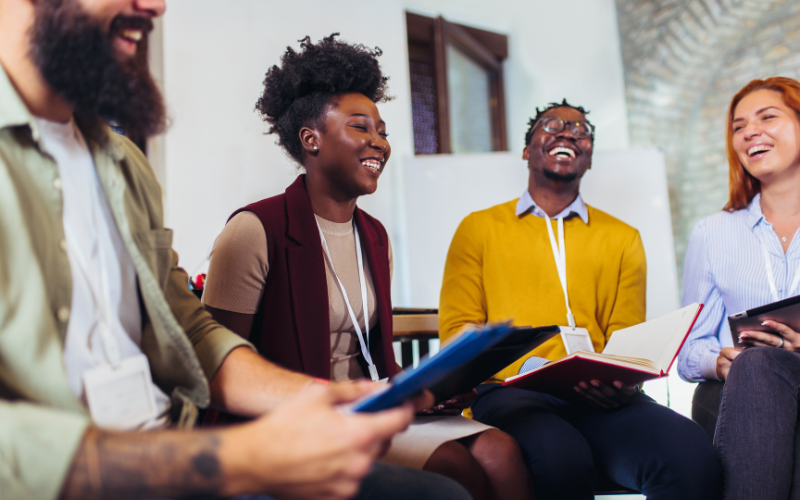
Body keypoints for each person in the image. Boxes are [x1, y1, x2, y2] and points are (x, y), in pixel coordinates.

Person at [0, 1, 475, 499]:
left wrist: (324, 399)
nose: (155, 6)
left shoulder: (120, 163)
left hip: (171, 443)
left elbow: (189, 329)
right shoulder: (256, 228)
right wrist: (238, 458)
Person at [201, 34, 530, 500]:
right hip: (295, 422)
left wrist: (434, 389)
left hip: (372, 405)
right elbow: (219, 366)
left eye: (382, 130)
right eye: (361, 127)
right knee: (456, 468)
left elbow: (376, 356)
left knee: (501, 452)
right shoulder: (255, 230)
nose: (379, 142)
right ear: (310, 138)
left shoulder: (373, 235)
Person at [438, 99, 722, 500]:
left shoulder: (623, 237)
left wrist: (621, 379)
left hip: (598, 393)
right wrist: (519, 369)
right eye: (551, 125)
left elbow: (625, 336)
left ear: (588, 158)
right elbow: (458, 331)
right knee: (560, 458)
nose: (568, 132)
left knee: (690, 455)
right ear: (526, 150)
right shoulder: (478, 228)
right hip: (509, 392)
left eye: (581, 130)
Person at [679, 76, 800, 499]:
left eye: (768, 117)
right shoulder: (713, 233)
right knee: (758, 364)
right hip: (754, 386)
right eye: (738, 126)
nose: (751, 132)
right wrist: (723, 361)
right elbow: (687, 349)